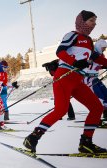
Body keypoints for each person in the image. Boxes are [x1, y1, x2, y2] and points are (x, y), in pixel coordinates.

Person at [23, 10, 107, 154]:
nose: (94, 23)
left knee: (97, 108)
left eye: (95, 21)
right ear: (82, 21)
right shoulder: (72, 35)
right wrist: (75, 62)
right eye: (91, 20)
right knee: (61, 110)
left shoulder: (89, 42)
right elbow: (60, 52)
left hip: (78, 80)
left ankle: (86, 143)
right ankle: (32, 138)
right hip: (65, 76)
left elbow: (97, 58)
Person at [84, 39, 107, 121]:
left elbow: (97, 65)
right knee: (99, 97)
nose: (104, 49)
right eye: (103, 48)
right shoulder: (93, 54)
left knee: (105, 93)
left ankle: (106, 113)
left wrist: (103, 67)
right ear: (98, 46)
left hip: (95, 78)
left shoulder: (100, 55)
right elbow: (87, 68)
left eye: (105, 48)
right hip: (88, 79)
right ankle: (97, 116)